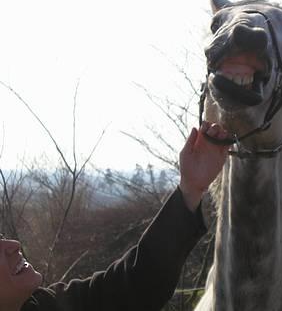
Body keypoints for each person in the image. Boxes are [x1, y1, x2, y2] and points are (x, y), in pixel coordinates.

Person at [0, 122, 230, 311]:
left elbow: (133, 285)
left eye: (2, 236)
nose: (13, 245)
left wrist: (190, 189)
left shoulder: (44, 306)